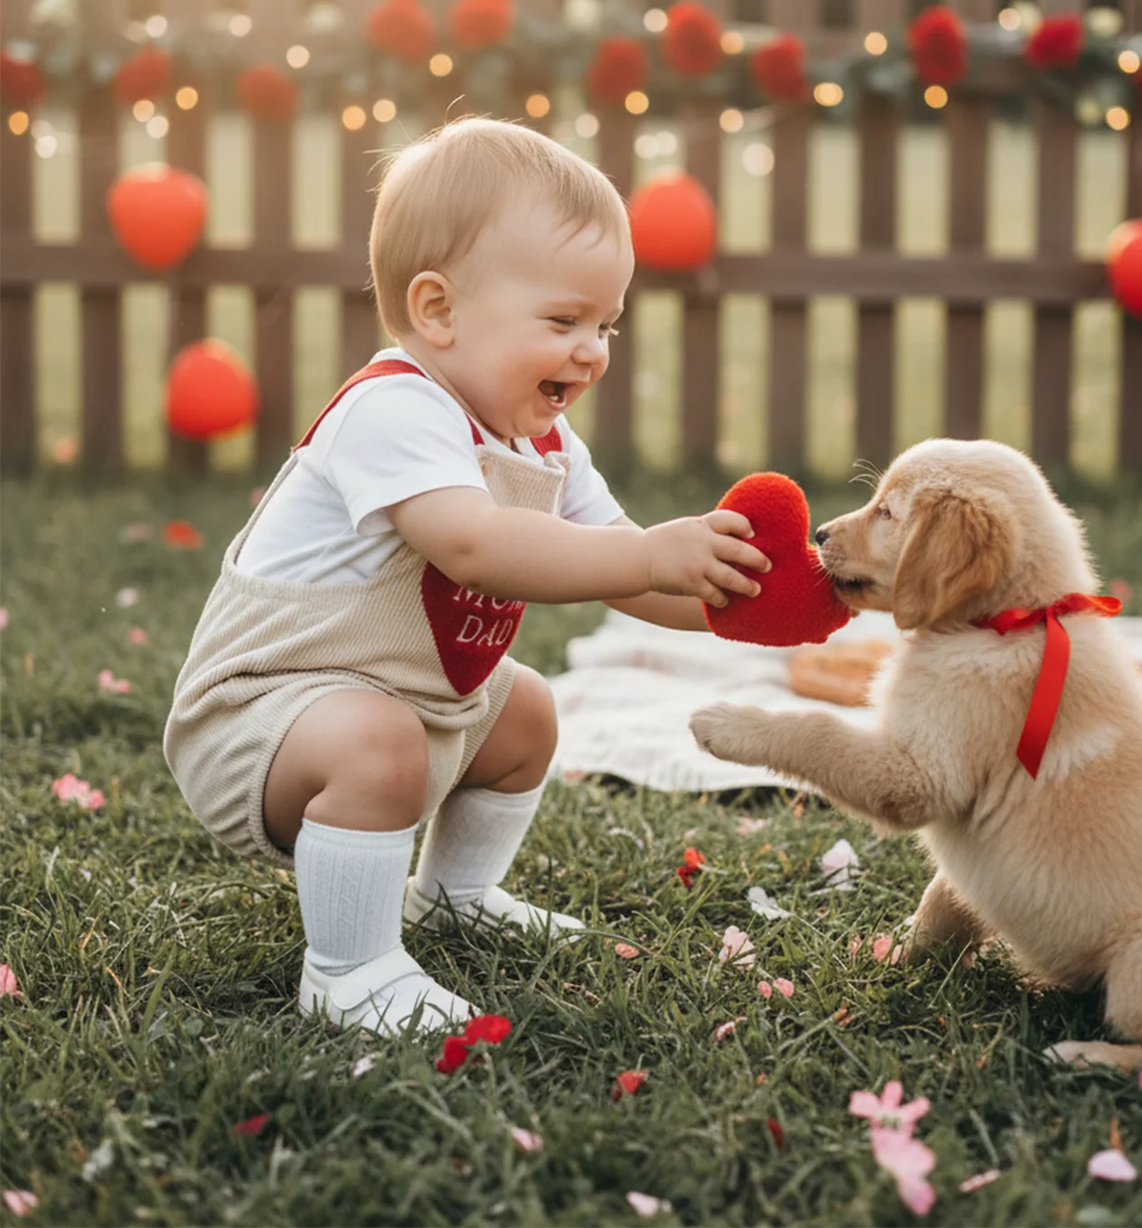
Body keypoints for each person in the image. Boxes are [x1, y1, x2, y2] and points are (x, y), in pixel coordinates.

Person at [163, 117, 768, 1035]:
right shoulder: (391, 406)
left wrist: (737, 601)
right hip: (265, 716)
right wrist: (649, 552)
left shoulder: (547, 443)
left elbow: (624, 569)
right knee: (379, 739)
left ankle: (457, 891)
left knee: (525, 709)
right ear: (438, 310)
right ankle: (349, 968)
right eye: (562, 321)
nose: (592, 349)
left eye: (604, 323)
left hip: (411, 703)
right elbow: (474, 545)